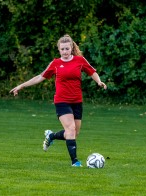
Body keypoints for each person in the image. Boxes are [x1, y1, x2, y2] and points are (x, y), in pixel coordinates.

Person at [10, 34, 107, 167]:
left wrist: (99, 81)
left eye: (67, 49)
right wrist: (21, 85)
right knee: (71, 129)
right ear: (59, 50)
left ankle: (51, 136)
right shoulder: (56, 64)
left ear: (71, 48)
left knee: (73, 133)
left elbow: (92, 72)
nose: (65, 52)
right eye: (62, 49)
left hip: (77, 101)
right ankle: (75, 162)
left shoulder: (80, 60)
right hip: (62, 101)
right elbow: (40, 77)